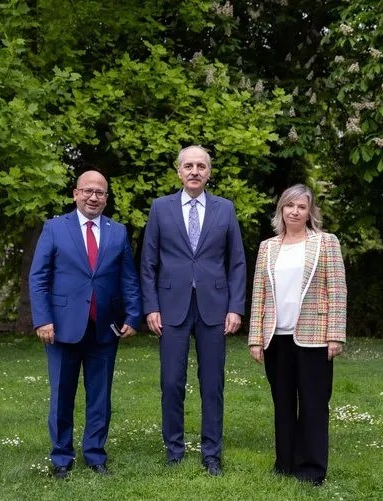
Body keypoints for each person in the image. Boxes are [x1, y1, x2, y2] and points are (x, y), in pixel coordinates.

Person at [140, 145, 246, 476]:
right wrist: (151, 306)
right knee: (171, 382)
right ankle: (174, 449)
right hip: (171, 308)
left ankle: (212, 453)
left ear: (209, 172)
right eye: (188, 166)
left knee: (212, 384)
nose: (195, 171)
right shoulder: (160, 208)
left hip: (215, 308)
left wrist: (236, 307)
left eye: (201, 166)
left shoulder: (225, 209)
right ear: (179, 172)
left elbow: (237, 263)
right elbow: (148, 263)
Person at [29, 170, 142, 479]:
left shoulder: (118, 232)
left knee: (100, 398)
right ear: (75, 193)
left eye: (100, 192)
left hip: (104, 329)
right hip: (62, 328)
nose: (93, 197)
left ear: (106, 198)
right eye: (88, 191)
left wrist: (133, 316)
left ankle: (95, 455)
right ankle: (61, 458)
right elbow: (38, 278)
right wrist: (43, 319)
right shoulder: (54, 228)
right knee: (61, 396)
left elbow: (128, 279)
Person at [247, 184, 347, 487]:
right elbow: (259, 294)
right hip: (276, 338)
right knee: (283, 403)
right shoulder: (268, 247)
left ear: (309, 212)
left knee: (314, 404)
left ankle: (312, 469)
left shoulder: (326, 243)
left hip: (314, 337)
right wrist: (255, 338)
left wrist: (335, 335)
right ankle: (285, 464)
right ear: (281, 209)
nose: (295, 211)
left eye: (301, 207)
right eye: (289, 206)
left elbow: (337, 290)